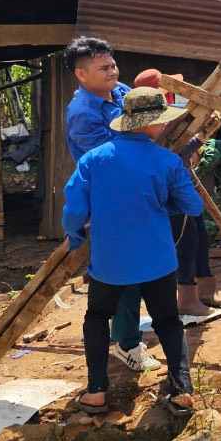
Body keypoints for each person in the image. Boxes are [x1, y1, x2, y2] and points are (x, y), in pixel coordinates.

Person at [63, 86, 202, 416]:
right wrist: (163, 204)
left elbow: (73, 211)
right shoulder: (167, 161)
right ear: (154, 123)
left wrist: (75, 236)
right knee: (167, 320)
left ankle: (96, 391)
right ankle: (181, 391)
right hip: (157, 259)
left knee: (97, 317)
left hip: (109, 262)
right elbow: (193, 206)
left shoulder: (94, 159)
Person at [63, 37, 160, 373]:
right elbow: (113, 158)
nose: (112, 71)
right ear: (81, 74)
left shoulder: (118, 91)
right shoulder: (82, 115)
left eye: (113, 65)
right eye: (103, 67)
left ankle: (126, 330)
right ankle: (127, 344)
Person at [132, 69, 216, 318]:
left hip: (178, 185)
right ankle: (187, 300)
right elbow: (172, 154)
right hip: (171, 191)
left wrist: (201, 137)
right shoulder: (156, 124)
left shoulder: (167, 117)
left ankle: (202, 292)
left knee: (198, 238)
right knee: (185, 242)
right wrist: (200, 138)